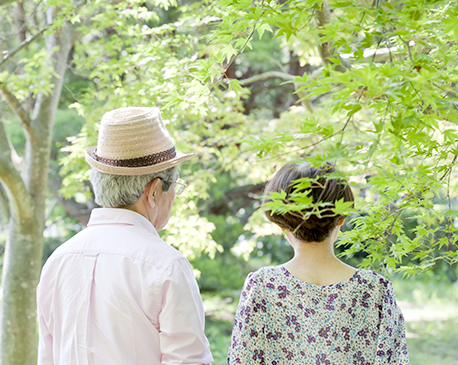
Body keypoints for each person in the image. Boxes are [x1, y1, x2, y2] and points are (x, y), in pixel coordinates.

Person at [37, 107, 213, 365]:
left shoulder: (57, 261)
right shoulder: (166, 265)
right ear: (153, 192)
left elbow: (47, 358)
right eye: (174, 186)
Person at [228, 163, 409, 364]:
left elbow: (241, 360)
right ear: (341, 218)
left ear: (281, 224)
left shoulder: (262, 285)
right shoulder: (375, 290)